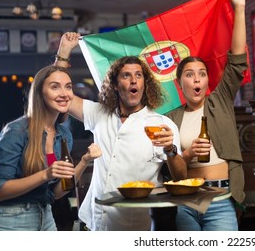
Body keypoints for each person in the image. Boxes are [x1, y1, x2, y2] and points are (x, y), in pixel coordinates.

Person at [55, 32, 187, 230]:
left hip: (136, 223)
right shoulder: (99, 113)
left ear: (145, 84)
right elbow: (59, 93)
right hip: (97, 220)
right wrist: (63, 51)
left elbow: (181, 178)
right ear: (116, 85)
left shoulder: (162, 124)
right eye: (126, 76)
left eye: (138, 76)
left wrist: (170, 149)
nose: (133, 81)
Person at [165, 0, 246, 231]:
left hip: (221, 199)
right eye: (190, 74)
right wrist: (187, 153)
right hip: (185, 200)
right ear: (180, 84)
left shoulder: (219, 101)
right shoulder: (169, 119)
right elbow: (169, 167)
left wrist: (239, 9)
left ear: (208, 80)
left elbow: (237, 63)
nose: (197, 78)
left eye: (202, 73)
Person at [0, 65, 102, 231]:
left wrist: (84, 162)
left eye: (68, 87)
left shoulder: (63, 135)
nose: (64, 93)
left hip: (46, 216)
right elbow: (0, 191)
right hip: (11, 218)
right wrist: (46, 174)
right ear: (40, 93)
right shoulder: (16, 131)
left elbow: (55, 193)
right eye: (55, 87)